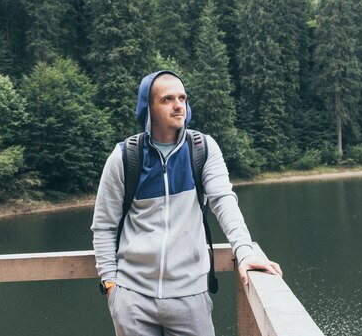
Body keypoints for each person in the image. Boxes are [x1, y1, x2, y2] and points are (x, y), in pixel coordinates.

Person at [91, 70, 282, 336]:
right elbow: (103, 226)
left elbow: (224, 201)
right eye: (167, 99)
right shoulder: (125, 157)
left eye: (182, 97)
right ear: (148, 108)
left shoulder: (202, 149)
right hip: (132, 298)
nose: (179, 105)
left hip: (190, 297)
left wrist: (245, 251)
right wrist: (111, 285)